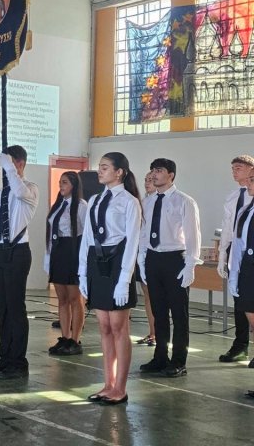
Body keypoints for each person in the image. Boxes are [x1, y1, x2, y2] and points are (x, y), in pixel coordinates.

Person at [78, 152, 141, 405]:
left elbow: (132, 242)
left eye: (105, 167)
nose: (99, 171)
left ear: (119, 172)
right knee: (104, 326)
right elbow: (87, 237)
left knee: (118, 327)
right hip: (97, 261)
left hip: (118, 263)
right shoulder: (94, 200)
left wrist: (125, 279)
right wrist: (83, 271)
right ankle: (108, 383)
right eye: (100, 167)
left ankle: (120, 388)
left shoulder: (129, 202)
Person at [0, 145, 39, 379]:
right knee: (2, 308)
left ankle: (18, 361)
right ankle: (5, 357)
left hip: (17, 253)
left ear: (20, 163)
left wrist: (10, 168)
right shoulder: (1, 193)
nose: (5, 169)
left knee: (15, 308)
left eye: (10, 164)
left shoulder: (30, 189)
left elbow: (19, 191)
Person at [138, 159, 201, 378]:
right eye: (152, 170)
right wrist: (142, 259)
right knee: (159, 312)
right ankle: (160, 357)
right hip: (153, 258)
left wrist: (190, 265)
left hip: (175, 259)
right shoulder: (148, 202)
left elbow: (193, 236)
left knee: (179, 314)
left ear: (171, 175)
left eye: (159, 170)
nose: (154, 174)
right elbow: (144, 233)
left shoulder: (184, 201)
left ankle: (178, 361)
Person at [45, 171, 87, 356]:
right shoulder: (59, 204)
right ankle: (64, 337)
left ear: (74, 185)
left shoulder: (81, 206)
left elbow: (87, 233)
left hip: (73, 251)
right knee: (62, 299)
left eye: (65, 182)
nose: (61, 186)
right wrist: (48, 255)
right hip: (58, 251)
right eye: (60, 182)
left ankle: (75, 340)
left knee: (75, 299)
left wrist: (84, 259)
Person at [218, 155, 254, 365]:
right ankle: (241, 345)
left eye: (239, 168)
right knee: (240, 301)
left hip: (250, 251)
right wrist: (223, 255)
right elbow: (228, 229)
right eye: (232, 168)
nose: (234, 172)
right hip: (237, 250)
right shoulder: (233, 197)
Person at [227, 168, 254, 398]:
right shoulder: (247, 209)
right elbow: (238, 244)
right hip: (248, 268)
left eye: (253, 180)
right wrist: (234, 273)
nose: (249, 184)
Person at [136, 172, 157, 347]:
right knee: (148, 295)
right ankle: (152, 332)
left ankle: (158, 333)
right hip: (142, 252)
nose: (147, 183)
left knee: (156, 296)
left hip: (156, 252)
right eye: (146, 180)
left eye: (151, 180)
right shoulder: (142, 202)